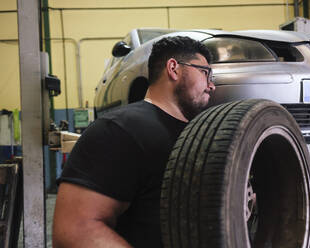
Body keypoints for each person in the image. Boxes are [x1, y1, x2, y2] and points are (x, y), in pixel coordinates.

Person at [53, 36, 215, 248]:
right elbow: (74, 230)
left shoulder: (200, 134)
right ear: (173, 68)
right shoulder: (119, 129)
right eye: (205, 73)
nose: (211, 85)